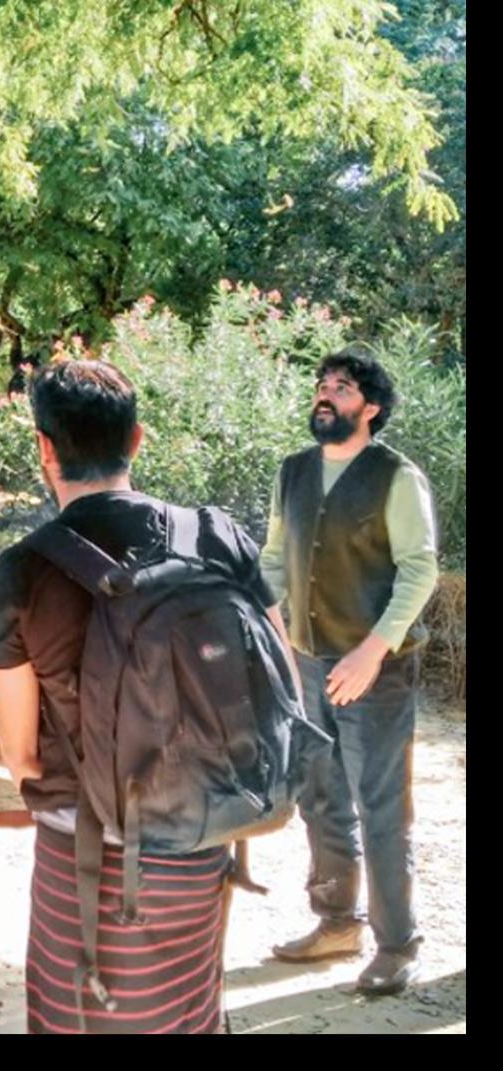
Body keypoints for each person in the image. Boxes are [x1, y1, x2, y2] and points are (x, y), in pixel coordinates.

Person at [0, 359, 279, 1033]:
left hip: (85, 857)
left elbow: (21, 754)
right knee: (190, 1011)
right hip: (202, 834)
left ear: (45, 448)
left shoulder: (21, 570)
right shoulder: (217, 537)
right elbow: (277, 671)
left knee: (82, 1017)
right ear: (137, 439)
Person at [261, 351, 439, 996]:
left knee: (381, 807)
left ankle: (398, 944)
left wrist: (372, 651)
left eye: (342, 387)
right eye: (322, 384)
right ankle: (337, 923)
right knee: (321, 798)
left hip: (377, 672)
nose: (326, 394)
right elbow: (274, 559)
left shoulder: (397, 477)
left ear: (371, 408)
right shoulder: (292, 472)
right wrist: (270, 630)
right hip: (308, 663)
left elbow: (420, 570)